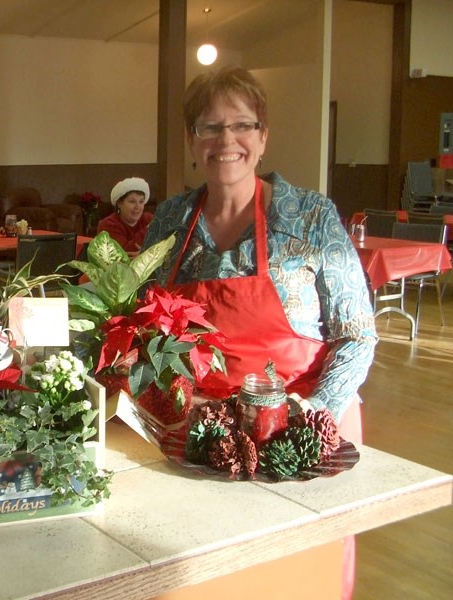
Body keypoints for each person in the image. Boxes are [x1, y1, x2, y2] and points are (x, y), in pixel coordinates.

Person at [142, 66, 377, 600]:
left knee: (292, 578)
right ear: (191, 140)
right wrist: (178, 401)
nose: (227, 140)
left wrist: (313, 410)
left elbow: (357, 334)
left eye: (242, 125)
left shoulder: (311, 217)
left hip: (300, 434)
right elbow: (140, 323)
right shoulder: (172, 219)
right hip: (199, 434)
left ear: (263, 137)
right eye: (210, 127)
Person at [97, 177, 153, 256]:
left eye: (141, 202)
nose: (137, 207)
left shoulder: (149, 219)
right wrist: (150, 229)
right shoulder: (108, 224)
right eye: (132, 201)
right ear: (119, 203)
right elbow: (126, 253)